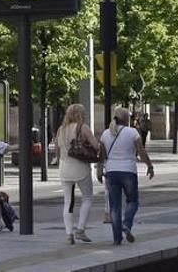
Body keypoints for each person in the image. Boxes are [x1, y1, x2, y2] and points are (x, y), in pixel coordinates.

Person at [98, 107, 154, 246]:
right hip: (128, 171)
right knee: (133, 201)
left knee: (114, 207)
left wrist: (99, 171)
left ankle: (117, 239)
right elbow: (141, 151)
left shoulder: (105, 133)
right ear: (126, 118)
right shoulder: (132, 132)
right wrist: (150, 166)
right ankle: (126, 224)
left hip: (111, 172)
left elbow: (102, 156)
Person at [55, 104, 100, 245]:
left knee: (68, 201)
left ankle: (69, 234)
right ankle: (80, 229)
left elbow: (57, 151)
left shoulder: (60, 130)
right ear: (80, 114)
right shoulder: (83, 128)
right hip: (80, 167)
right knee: (87, 197)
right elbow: (96, 146)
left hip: (64, 168)